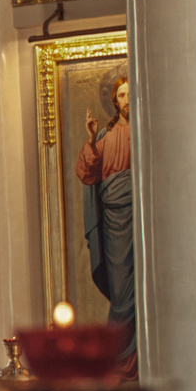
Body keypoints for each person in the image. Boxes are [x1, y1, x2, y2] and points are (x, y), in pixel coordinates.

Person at [76, 73, 137, 359]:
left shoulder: (144, 131)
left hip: (141, 222)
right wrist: (90, 139)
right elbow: (88, 174)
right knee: (122, 296)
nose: (126, 100)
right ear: (115, 101)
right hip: (115, 227)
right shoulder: (105, 136)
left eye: (129, 94)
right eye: (121, 95)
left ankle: (139, 361)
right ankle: (117, 360)